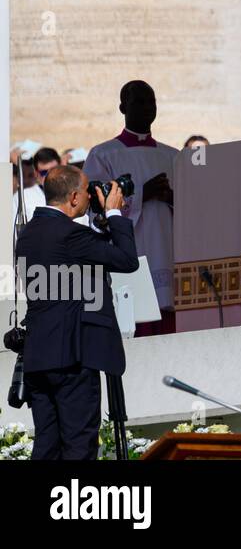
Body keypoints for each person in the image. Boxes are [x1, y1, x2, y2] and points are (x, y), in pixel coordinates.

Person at [16, 166, 137, 460]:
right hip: (71, 358)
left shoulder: (29, 233)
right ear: (72, 197)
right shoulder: (70, 236)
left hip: (37, 358)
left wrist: (97, 223)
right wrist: (114, 215)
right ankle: (75, 505)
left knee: (47, 447)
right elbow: (126, 260)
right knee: (79, 445)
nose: (88, 197)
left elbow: (77, 268)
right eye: (85, 193)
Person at [83, 81, 179, 335]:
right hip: (129, 258)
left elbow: (194, 213)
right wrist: (141, 195)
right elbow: (96, 213)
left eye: (152, 102)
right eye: (139, 102)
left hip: (168, 256)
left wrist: (172, 198)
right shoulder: (103, 155)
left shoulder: (174, 156)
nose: (147, 108)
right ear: (123, 107)